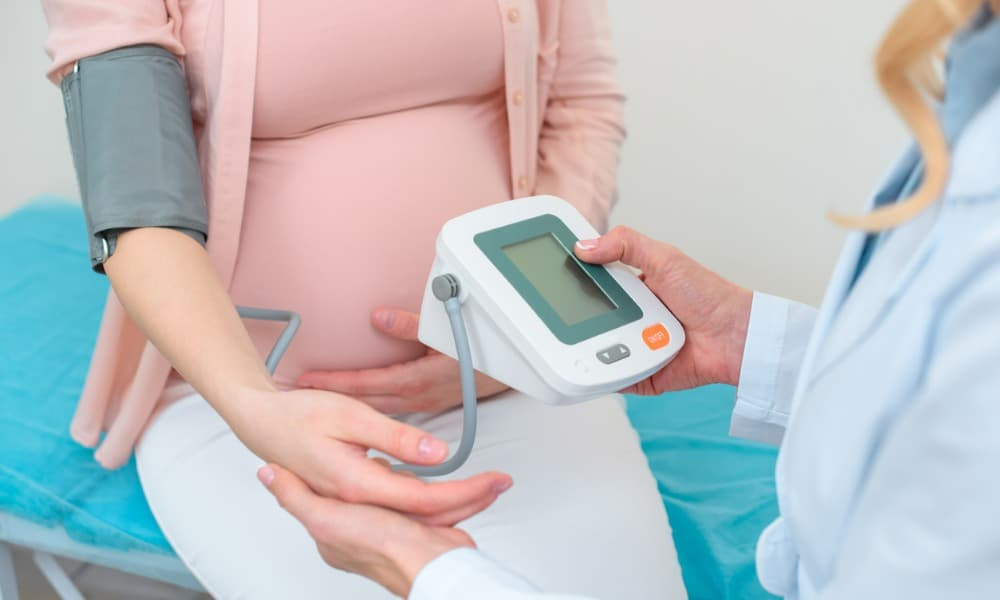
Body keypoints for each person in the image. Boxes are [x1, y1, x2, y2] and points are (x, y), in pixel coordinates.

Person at [258, 1, 1000, 597]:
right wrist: (748, 341)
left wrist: (430, 574)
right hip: (252, 399)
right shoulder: (975, 81)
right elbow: (924, 385)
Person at [41, 1, 686, 598]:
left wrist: (513, 338)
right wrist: (256, 409)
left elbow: (582, 106)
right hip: (244, 405)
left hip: (512, 375)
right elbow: (137, 207)